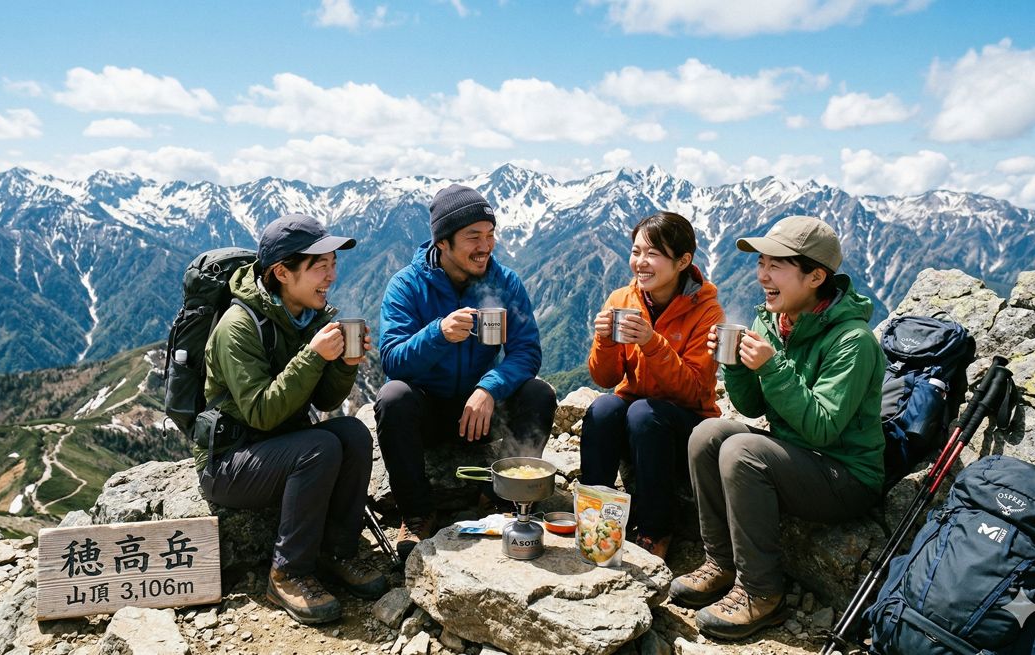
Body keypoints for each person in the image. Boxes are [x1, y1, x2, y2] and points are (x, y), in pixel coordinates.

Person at [669, 215, 885, 640]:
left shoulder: (853, 341)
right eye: (761, 263)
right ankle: (721, 563)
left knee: (741, 452)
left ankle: (761, 593)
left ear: (815, 277)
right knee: (708, 435)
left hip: (846, 475)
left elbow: (822, 429)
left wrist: (773, 367)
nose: (762, 275)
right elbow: (749, 407)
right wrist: (735, 367)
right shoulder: (772, 321)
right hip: (797, 458)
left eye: (775, 265)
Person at [195, 213, 386, 626]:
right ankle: (287, 573)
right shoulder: (239, 326)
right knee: (319, 448)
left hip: (281, 448)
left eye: (333, 264)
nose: (331, 276)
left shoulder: (311, 316)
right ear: (282, 272)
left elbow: (326, 398)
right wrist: (314, 355)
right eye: (320, 266)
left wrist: (345, 365)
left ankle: (338, 553)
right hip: (230, 460)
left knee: (352, 433)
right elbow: (262, 413)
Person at [375, 184, 557, 560]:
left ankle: (500, 500)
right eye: (473, 237)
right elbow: (392, 360)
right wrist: (438, 334)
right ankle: (417, 513)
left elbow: (526, 351)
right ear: (442, 242)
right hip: (428, 410)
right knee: (393, 399)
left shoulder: (504, 283)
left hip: (482, 410)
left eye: (490, 235)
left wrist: (489, 388)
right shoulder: (407, 286)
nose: (485, 246)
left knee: (538, 394)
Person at [579, 211, 724, 561]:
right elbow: (605, 379)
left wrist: (652, 343)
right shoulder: (622, 300)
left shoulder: (707, 312)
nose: (640, 263)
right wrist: (605, 342)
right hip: (639, 425)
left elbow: (693, 390)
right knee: (603, 407)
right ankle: (594, 519)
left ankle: (654, 529)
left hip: (684, 430)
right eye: (635, 251)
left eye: (652, 254)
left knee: (643, 414)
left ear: (682, 261)